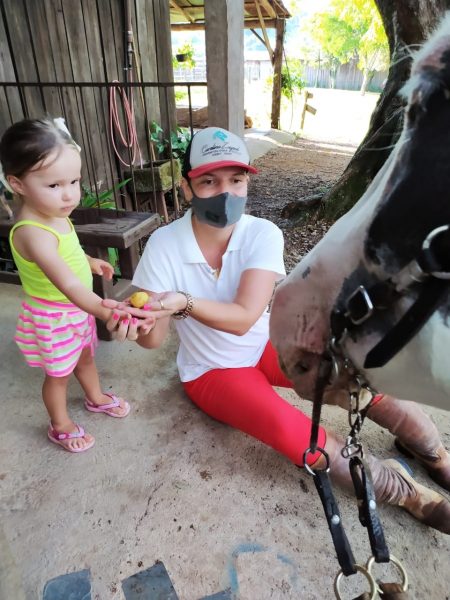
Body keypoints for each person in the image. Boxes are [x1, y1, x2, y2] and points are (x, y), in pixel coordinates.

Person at [103, 126, 450, 534]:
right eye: (209, 181)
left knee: (352, 382)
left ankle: (431, 449)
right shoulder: (164, 245)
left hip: (266, 343)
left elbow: (246, 316)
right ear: (186, 187)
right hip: (212, 372)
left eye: (237, 179)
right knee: (296, 435)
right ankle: (402, 492)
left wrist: (183, 301)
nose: (225, 192)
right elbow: (154, 340)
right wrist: (140, 322)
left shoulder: (261, 234)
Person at [0, 117, 134, 453]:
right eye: (54, 185)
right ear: (17, 184)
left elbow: (68, 252)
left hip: (76, 312)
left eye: (74, 181)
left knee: (86, 358)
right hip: (55, 317)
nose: (69, 194)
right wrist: (106, 308)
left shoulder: (56, 215)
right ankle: (60, 424)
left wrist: (90, 262)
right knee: (57, 376)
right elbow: (69, 286)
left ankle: (95, 397)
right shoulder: (32, 232)